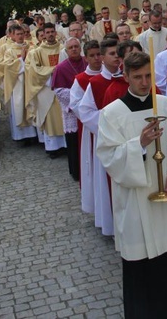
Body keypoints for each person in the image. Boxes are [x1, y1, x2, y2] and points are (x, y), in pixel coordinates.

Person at [96, 51, 167, 318]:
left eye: (148, 76)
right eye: (138, 77)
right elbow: (109, 158)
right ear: (126, 76)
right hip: (136, 202)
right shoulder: (112, 113)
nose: (144, 82)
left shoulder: (164, 105)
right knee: (143, 268)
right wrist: (139, 145)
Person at [77, 38, 123, 236]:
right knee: (107, 182)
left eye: (118, 54)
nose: (116, 58)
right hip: (104, 138)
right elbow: (84, 111)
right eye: (112, 54)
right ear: (103, 58)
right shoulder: (94, 83)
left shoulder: (125, 79)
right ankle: (110, 223)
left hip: (125, 138)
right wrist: (109, 125)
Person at [70, 41, 102, 209]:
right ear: (86, 58)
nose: (97, 58)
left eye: (99, 54)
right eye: (92, 55)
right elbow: (76, 105)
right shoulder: (81, 80)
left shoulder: (111, 74)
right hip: (90, 130)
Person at [25, 23, 65, 156]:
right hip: (46, 89)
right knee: (50, 118)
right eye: (47, 32)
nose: (50, 34)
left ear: (56, 32)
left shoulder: (63, 49)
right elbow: (34, 70)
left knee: (63, 116)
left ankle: (66, 144)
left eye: (52, 32)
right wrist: (53, 72)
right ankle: (53, 148)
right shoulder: (37, 52)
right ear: (44, 35)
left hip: (63, 87)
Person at [52, 37, 87, 179]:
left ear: (80, 48)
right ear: (66, 51)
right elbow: (59, 91)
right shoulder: (61, 68)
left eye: (76, 46)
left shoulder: (88, 63)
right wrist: (80, 98)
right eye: (71, 47)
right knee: (74, 143)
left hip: (89, 110)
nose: (74, 49)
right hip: (72, 112)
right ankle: (76, 172)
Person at [1, 24, 37, 143]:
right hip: (17, 84)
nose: (21, 36)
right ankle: (22, 136)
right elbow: (8, 67)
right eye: (18, 34)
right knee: (20, 106)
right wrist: (21, 59)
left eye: (22, 33)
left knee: (32, 104)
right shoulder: (10, 51)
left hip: (29, 81)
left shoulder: (31, 47)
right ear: (13, 36)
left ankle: (34, 133)